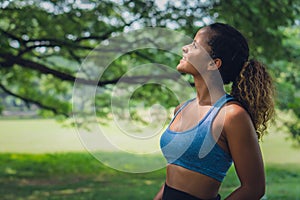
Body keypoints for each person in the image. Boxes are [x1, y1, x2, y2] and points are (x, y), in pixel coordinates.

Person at [154, 22, 274, 200]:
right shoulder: (181, 109)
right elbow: (172, 179)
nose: (184, 48)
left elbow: (254, 188)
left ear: (213, 64)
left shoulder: (232, 115)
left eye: (194, 45)